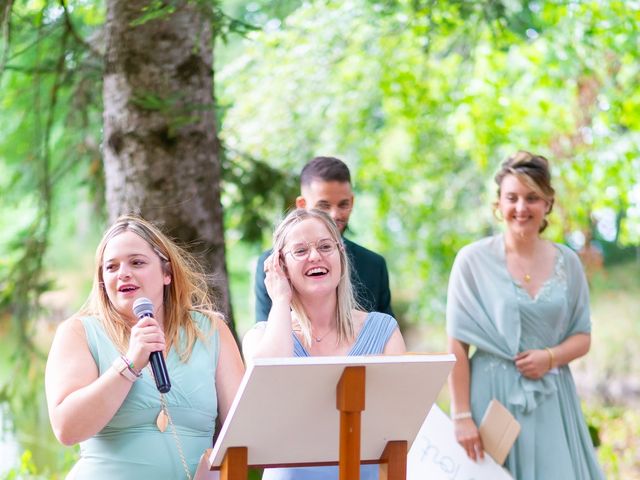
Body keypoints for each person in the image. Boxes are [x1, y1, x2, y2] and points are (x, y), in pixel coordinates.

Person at [45, 215, 245, 479]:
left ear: (167, 273)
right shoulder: (78, 332)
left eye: (137, 262)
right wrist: (129, 364)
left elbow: (244, 431)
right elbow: (67, 429)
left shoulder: (210, 330)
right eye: (111, 267)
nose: (123, 273)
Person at [446, 151, 604, 479]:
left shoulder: (568, 262)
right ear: (498, 204)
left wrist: (550, 356)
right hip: (491, 400)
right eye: (512, 198)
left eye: (532, 198)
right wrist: (461, 416)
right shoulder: (471, 261)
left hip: (551, 397)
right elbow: (456, 345)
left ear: (547, 203)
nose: (521, 208)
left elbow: (583, 336)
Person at [243, 208, 406, 480]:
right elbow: (269, 384)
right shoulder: (260, 337)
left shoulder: (384, 330)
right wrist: (281, 300)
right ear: (280, 265)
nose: (315, 256)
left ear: (340, 254)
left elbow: (400, 422)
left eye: (325, 246)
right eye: (301, 251)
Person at [255, 156, 393, 322]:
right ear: (302, 205)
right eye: (324, 206)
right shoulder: (273, 264)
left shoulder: (374, 265)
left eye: (343, 204)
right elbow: (265, 332)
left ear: (352, 202)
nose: (335, 215)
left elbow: (388, 338)